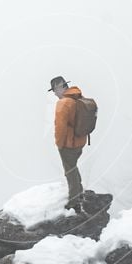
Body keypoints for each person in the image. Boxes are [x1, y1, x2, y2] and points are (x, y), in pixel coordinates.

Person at [48, 75, 87, 213]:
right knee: (73, 167)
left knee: (69, 171)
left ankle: (74, 201)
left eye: (54, 89)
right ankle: (80, 192)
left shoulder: (63, 103)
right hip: (80, 141)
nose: (54, 93)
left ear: (60, 86)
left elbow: (60, 127)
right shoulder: (78, 97)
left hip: (68, 144)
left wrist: (59, 144)